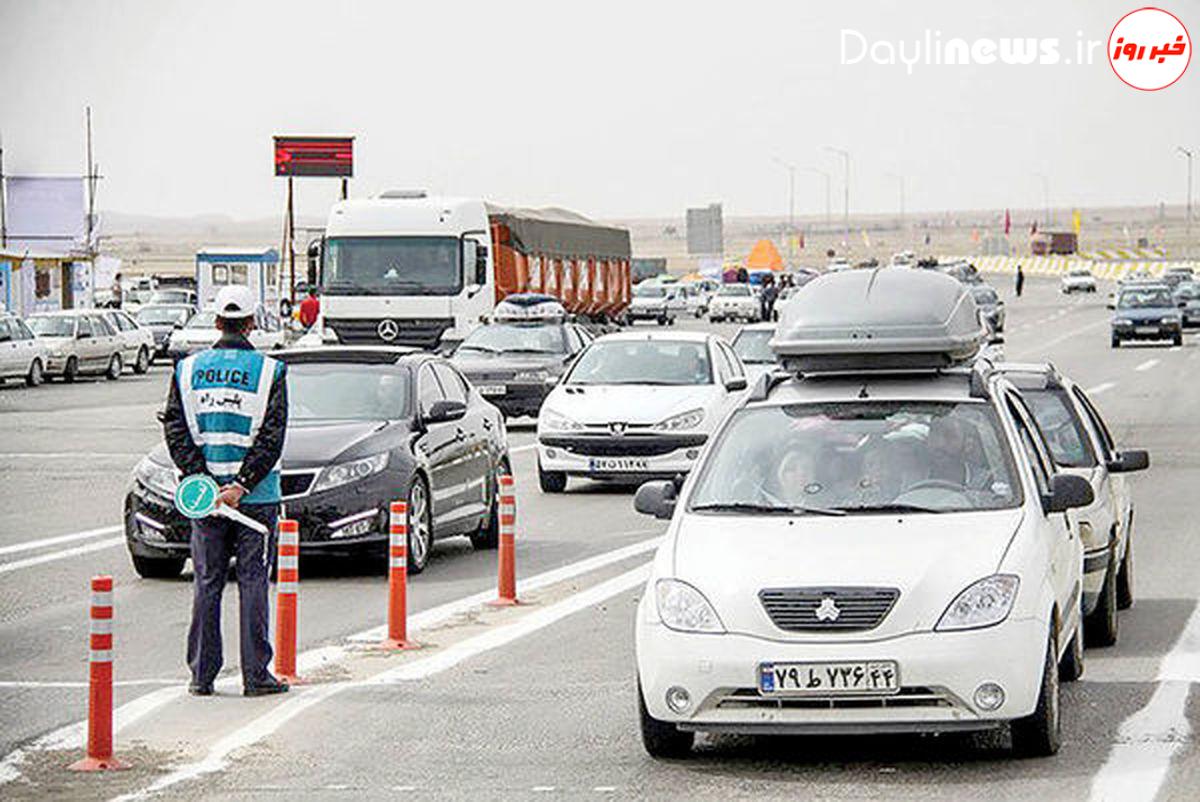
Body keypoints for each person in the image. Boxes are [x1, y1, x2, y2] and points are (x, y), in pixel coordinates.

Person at [160, 285, 290, 698]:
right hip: (257, 499)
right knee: (253, 581)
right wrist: (242, 485)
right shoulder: (272, 371)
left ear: (216, 322)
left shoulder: (187, 369)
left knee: (207, 582)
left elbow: (176, 430)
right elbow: (272, 437)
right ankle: (256, 677)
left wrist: (203, 481)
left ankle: (202, 676)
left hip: (205, 500)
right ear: (252, 323)